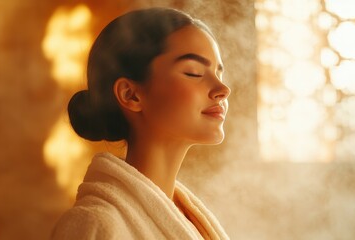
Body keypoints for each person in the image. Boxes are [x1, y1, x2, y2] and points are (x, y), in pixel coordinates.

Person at [51, 7, 231, 240]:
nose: (223, 90)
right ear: (131, 95)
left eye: (218, 73)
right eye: (194, 72)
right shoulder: (92, 225)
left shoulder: (188, 220)